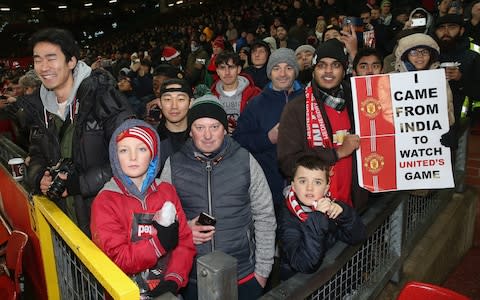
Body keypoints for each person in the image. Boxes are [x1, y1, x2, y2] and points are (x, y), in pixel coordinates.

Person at [160, 95, 276, 300]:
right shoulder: (174, 165)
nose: (207, 135)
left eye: (214, 126)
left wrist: (262, 273)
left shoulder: (245, 161)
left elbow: (265, 216)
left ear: (225, 129)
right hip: (191, 278)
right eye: (199, 127)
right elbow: (161, 219)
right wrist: (184, 231)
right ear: (190, 130)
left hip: (243, 276)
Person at [21, 28, 134, 235]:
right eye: (38, 60)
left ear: (71, 61)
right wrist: (39, 177)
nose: (44, 67)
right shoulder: (39, 108)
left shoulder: (104, 99)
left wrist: (78, 184)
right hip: (66, 224)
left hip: (109, 223)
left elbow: (132, 161)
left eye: (51, 58)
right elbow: (36, 153)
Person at [91, 119, 195, 299]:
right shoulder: (106, 201)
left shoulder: (166, 191)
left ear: (153, 154)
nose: (133, 157)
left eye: (141, 149)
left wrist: (173, 279)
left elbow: (184, 241)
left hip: (166, 292)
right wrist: (157, 244)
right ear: (115, 156)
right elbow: (116, 259)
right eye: (124, 150)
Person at [277, 39, 366, 209]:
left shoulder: (358, 102)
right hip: (313, 209)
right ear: (313, 70)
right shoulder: (296, 108)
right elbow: (288, 163)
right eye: (322, 65)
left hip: (352, 206)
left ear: (344, 69)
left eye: (335, 65)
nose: (328, 71)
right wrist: (336, 153)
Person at [233, 48, 303, 210]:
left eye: (289, 68)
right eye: (277, 68)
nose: (283, 73)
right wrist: (267, 138)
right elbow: (238, 140)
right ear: (270, 73)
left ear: (296, 72)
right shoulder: (257, 104)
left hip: (306, 187)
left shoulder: (309, 99)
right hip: (269, 188)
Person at [279, 155, 366, 279]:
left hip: (330, 280)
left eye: (317, 182)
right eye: (303, 181)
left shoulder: (328, 206)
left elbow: (358, 237)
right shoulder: (287, 217)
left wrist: (344, 213)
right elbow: (305, 264)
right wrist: (318, 217)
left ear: (326, 188)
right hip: (300, 288)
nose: (309, 188)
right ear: (293, 185)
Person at [211, 51, 261, 134]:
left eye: (231, 67)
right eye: (222, 68)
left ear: (239, 69)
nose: (227, 72)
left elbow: (262, 123)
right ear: (217, 71)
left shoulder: (255, 94)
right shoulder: (211, 97)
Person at [156, 79, 193, 171]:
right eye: (168, 99)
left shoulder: (203, 139)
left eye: (180, 99)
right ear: (160, 103)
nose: (174, 106)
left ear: (190, 103)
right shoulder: (153, 141)